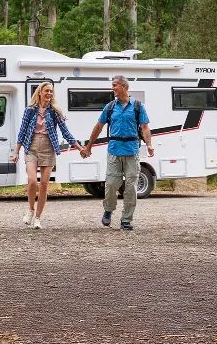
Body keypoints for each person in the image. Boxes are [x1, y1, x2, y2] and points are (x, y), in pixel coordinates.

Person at [82, 75, 153, 231]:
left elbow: (145, 127)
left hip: (132, 151)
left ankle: (126, 220)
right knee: (112, 184)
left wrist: (149, 144)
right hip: (114, 150)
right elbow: (98, 126)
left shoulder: (138, 107)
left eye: (115, 85)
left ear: (124, 87)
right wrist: (88, 146)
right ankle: (108, 210)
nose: (112, 88)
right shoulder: (110, 107)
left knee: (131, 187)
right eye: (112, 85)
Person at [10, 82, 83, 229]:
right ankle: (30, 210)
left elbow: (65, 131)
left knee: (44, 185)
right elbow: (22, 131)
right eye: (47, 91)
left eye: (51, 91)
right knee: (31, 181)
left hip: (48, 148)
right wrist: (16, 151)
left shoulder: (54, 112)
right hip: (31, 146)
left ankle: (37, 218)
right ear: (40, 93)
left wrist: (79, 147)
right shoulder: (30, 110)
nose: (49, 93)